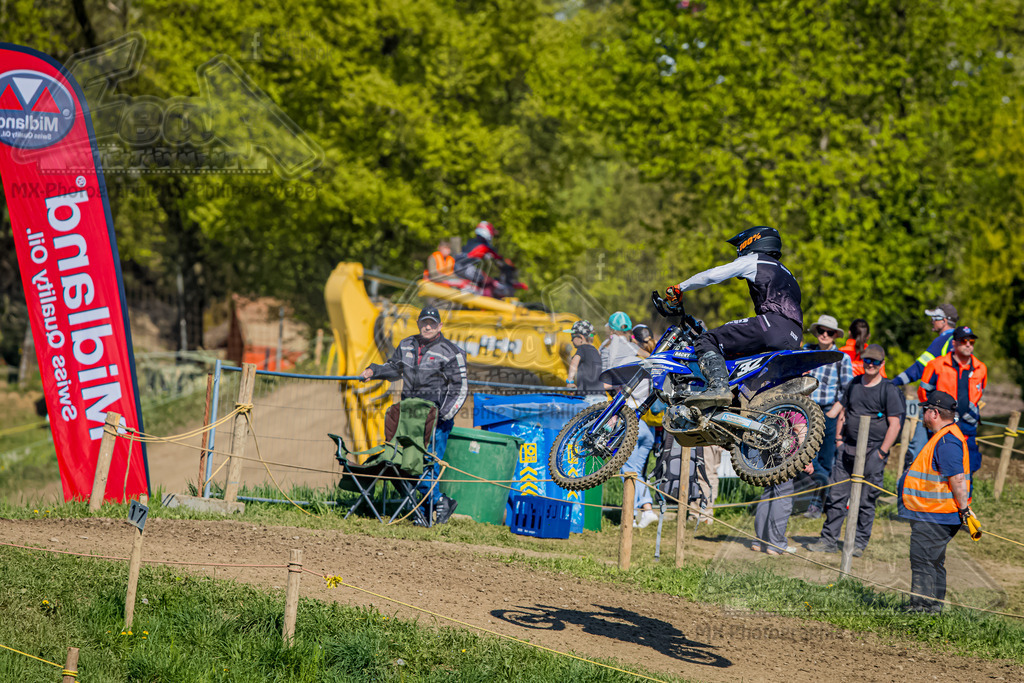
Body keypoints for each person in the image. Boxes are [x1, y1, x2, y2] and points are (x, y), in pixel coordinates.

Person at [664, 226, 802, 407]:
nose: (738, 251)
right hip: (794, 335)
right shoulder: (787, 273)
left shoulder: (755, 260)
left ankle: (718, 388)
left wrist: (679, 287)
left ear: (751, 242)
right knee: (735, 363)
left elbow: (712, 275)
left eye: (739, 246)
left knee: (707, 339)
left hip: (772, 325)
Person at [360, 307, 468, 525]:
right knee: (405, 461)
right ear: (418, 323)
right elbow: (393, 368)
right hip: (409, 417)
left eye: (432, 323)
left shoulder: (451, 351)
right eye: (423, 322)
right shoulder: (406, 345)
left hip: (435, 419)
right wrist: (373, 371)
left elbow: (460, 387)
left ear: (440, 326)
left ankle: (426, 512)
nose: (427, 326)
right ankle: (438, 503)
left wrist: (444, 415)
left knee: (429, 463)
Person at [807, 344, 904, 556]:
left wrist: (881, 453)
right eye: (868, 360)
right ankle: (828, 540)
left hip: (873, 452)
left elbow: (895, 424)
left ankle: (858, 544)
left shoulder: (889, 390)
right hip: (847, 449)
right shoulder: (854, 384)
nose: (871, 364)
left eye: (876, 361)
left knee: (866, 500)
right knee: (836, 496)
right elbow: (842, 411)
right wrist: (839, 440)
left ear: (882, 364)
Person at [897, 391, 973, 614]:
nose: (923, 414)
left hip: (936, 515)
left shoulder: (947, 441)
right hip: (934, 513)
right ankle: (932, 607)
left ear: (935, 412)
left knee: (923, 561)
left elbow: (957, 480)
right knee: (933, 561)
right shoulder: (946, 436)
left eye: (925, 410)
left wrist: (964, 510)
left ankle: (922, 608)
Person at [600, 311, 658, 528]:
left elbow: (608, 384)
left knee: (629, 471)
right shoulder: (643, 353)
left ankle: (639, 513)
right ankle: (641, 512)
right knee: (636, 471)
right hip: (647, 427)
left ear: (612, 330)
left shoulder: (612, 350)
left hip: (629, 421)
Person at [802, 314, 855, 519]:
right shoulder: (806, 351)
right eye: (821, 331)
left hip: (828, 412)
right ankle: (812, 499)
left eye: (829, 332)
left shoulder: (842, 358)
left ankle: (819, 503)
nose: (824, 335)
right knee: (805, 455)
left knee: (825, 458)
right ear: (817, 332)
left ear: (835, 336)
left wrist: (836, 409)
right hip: (805, 409)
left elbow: (848, 388)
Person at [892, 304, 958, 463]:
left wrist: (894, 382)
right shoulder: (960, 343)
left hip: (935, 406)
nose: (931, 321)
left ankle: (908, 484)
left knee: (917, 452)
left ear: (944, 321)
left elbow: (919, 368)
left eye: (934, 318)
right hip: (954, 407)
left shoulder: (943, 340)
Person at [918, 326, 988, 475]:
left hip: (968, 425)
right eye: (964, 341)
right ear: (954, 343)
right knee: (940, 465)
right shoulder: (936, 365)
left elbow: (980, 392)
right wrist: (936, 415)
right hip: (942, 424)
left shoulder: (980, 368)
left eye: (971, 341)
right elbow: (924, 393)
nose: (968, 344)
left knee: (969, 464)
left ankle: (965, 497)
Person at [753, 460, 815, 555]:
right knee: (783, 495)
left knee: (769, 492)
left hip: (768, 454)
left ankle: (761, 541)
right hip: (786, 455)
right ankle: (776, 545)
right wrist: (806, 459)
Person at [452, 221, 527, 298]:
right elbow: (498, 259)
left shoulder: (471, 242)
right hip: (465, 268)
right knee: (489, 282)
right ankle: (483, 300)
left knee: (484, 278)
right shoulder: (485, 247)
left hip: (458, 266)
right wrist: (507, 266)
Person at [564, 320, 604, 401]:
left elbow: (574, 363)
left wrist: (570, 381)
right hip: (601, 395)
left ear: (581, 338)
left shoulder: (582, 348)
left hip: (587, 396)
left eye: (573, 336)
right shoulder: (597, 351)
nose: (571, 340)